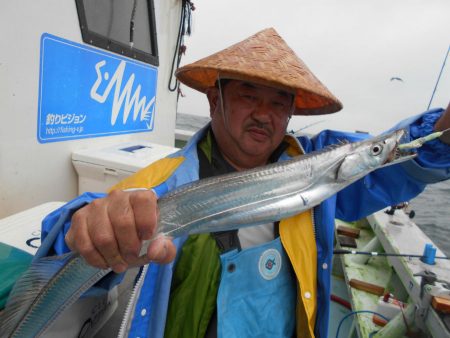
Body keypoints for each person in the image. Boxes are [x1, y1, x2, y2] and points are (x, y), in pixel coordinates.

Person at [40, 28, 450, 338]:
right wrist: (85, 226)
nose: (263, 114)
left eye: (278, 103)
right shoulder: (160, 183)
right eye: (248, 96)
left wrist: (443, 134)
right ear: (215, 100)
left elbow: (390, 162)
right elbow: (84, 226)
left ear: (290, 114)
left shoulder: (317, 164)